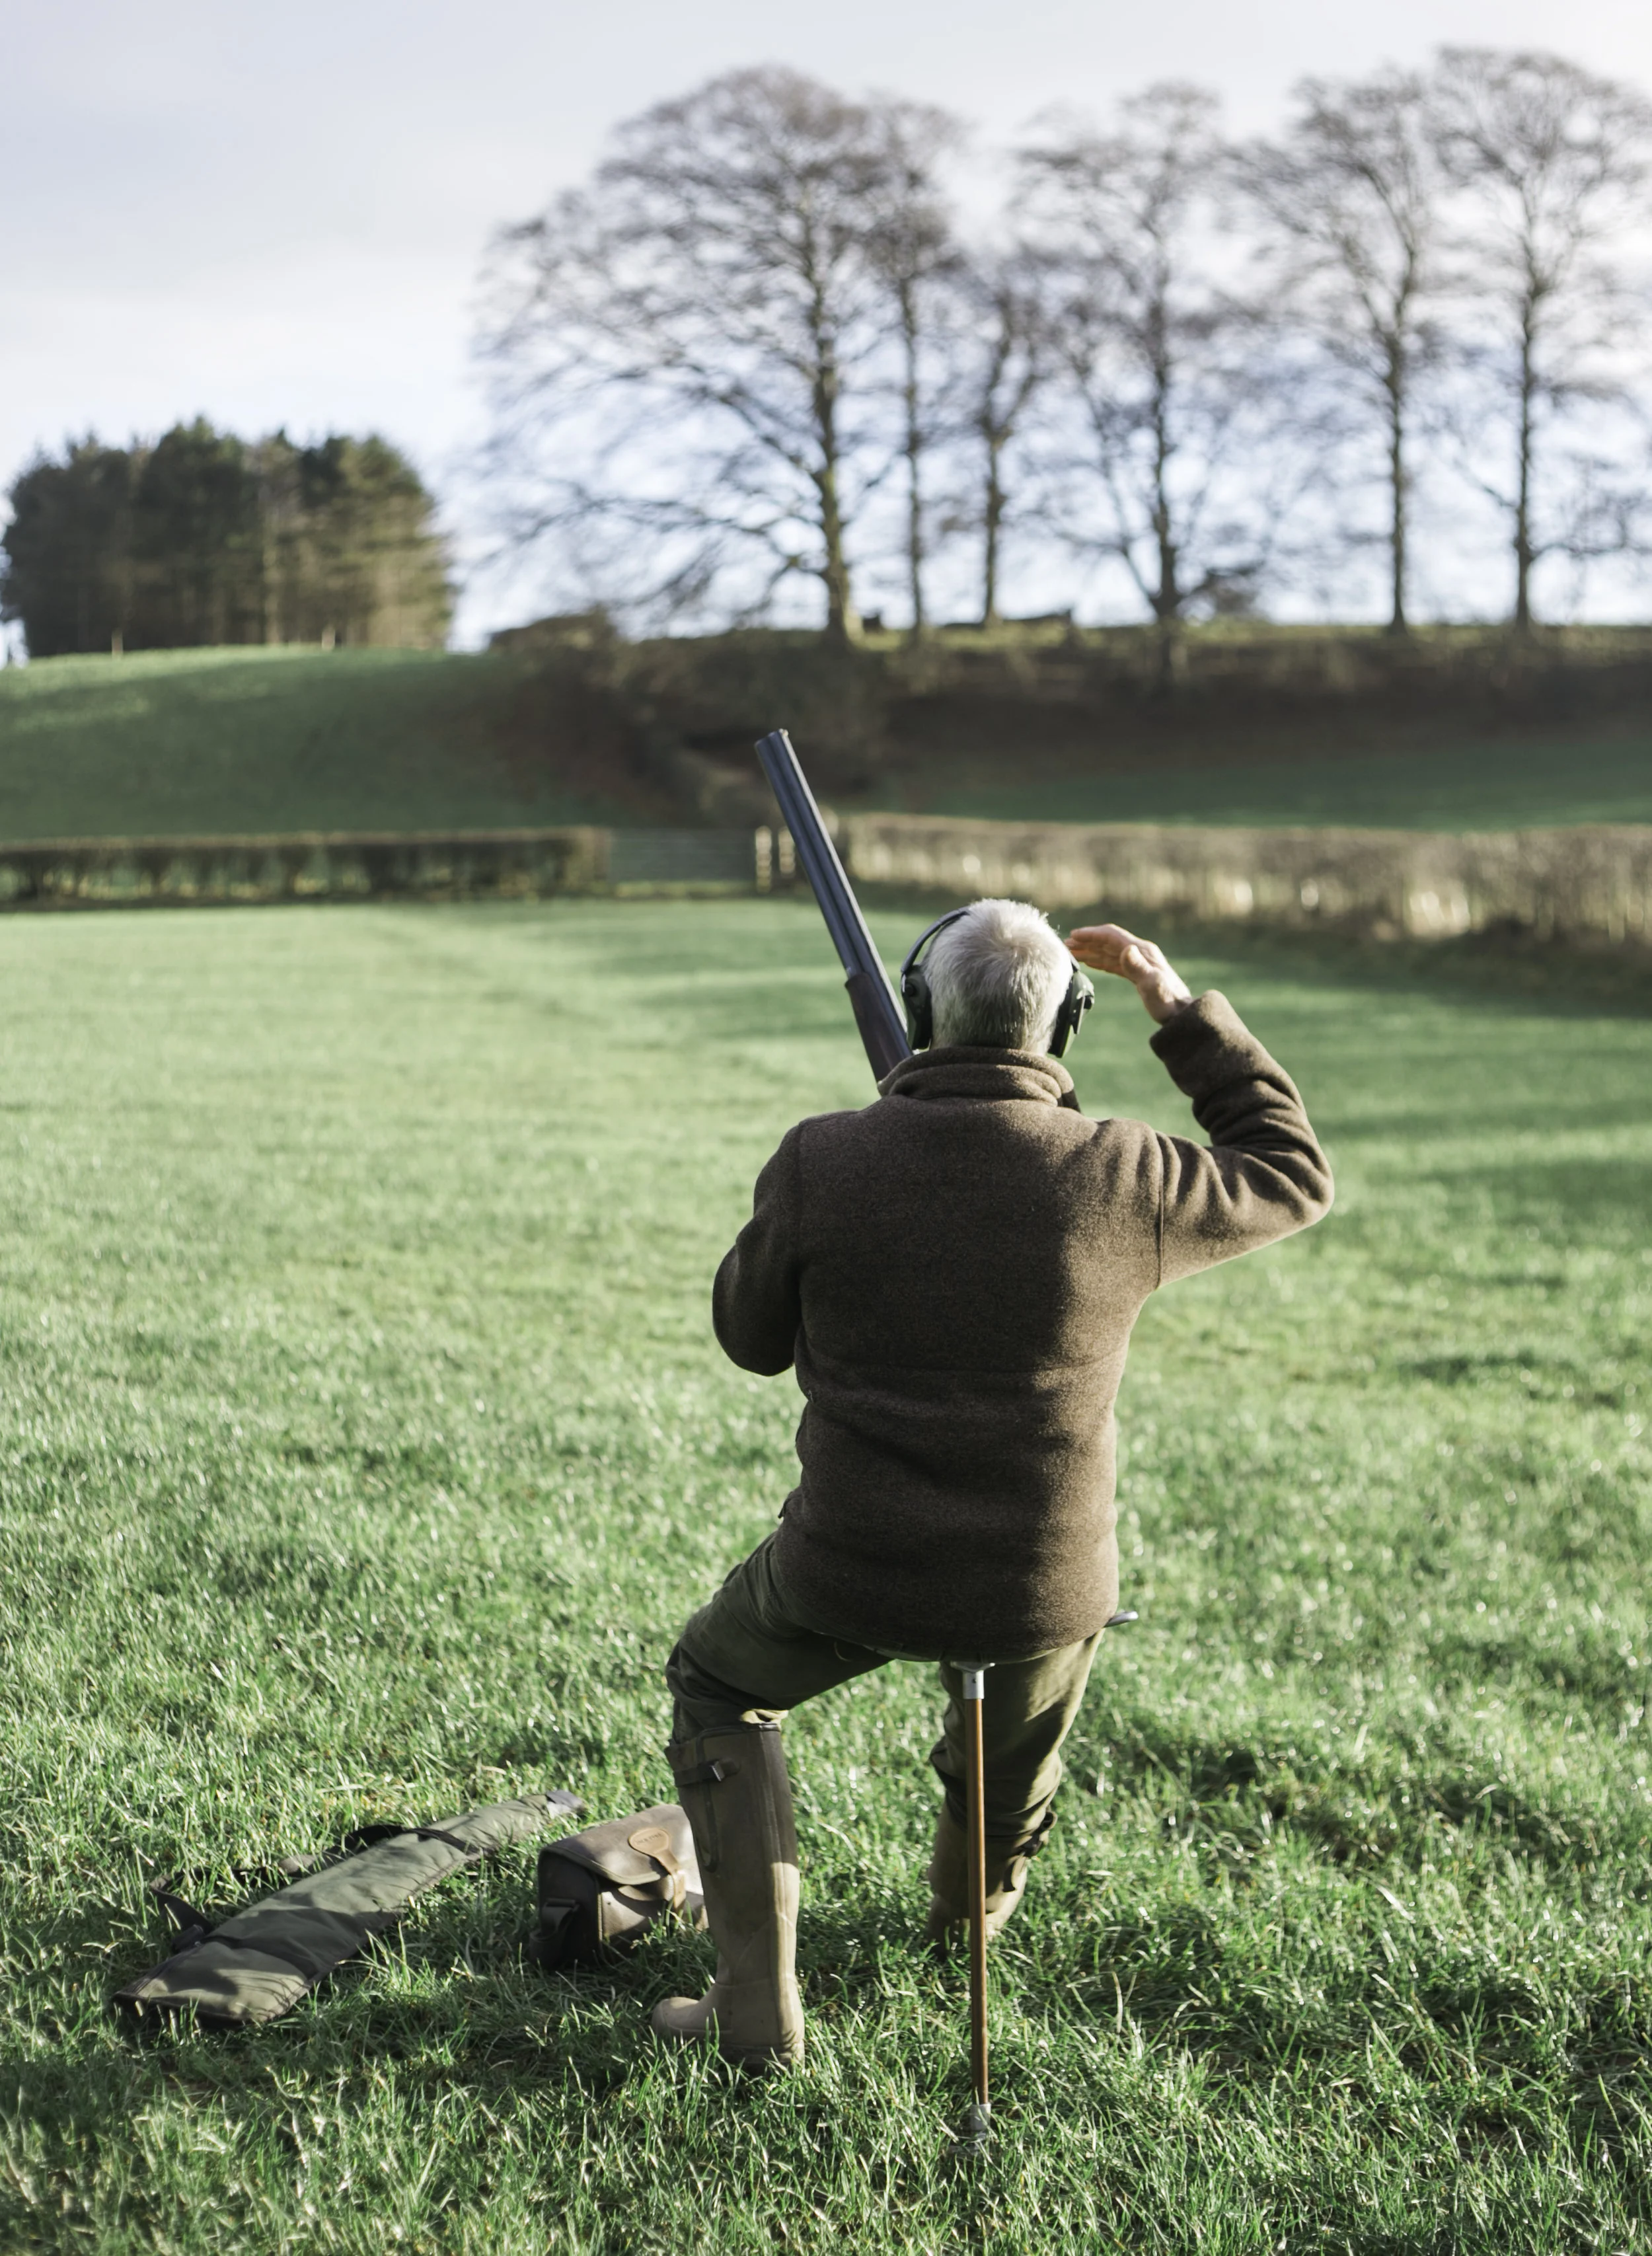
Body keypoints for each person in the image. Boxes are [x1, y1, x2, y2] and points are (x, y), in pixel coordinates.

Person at [652, 901, 1333, 2070]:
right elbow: (1291, 1171)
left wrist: (838, 1184)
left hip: (846, 1567)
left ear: (925, 1013)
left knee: (717, 1680)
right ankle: (962, 1929)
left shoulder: (824, 1155)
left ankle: (756, 2013)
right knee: (1009, 1763)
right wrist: (1178, 1010)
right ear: (1063, 1025)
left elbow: (747, 1337)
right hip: (1042, 1583)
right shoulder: (1124, 1171)